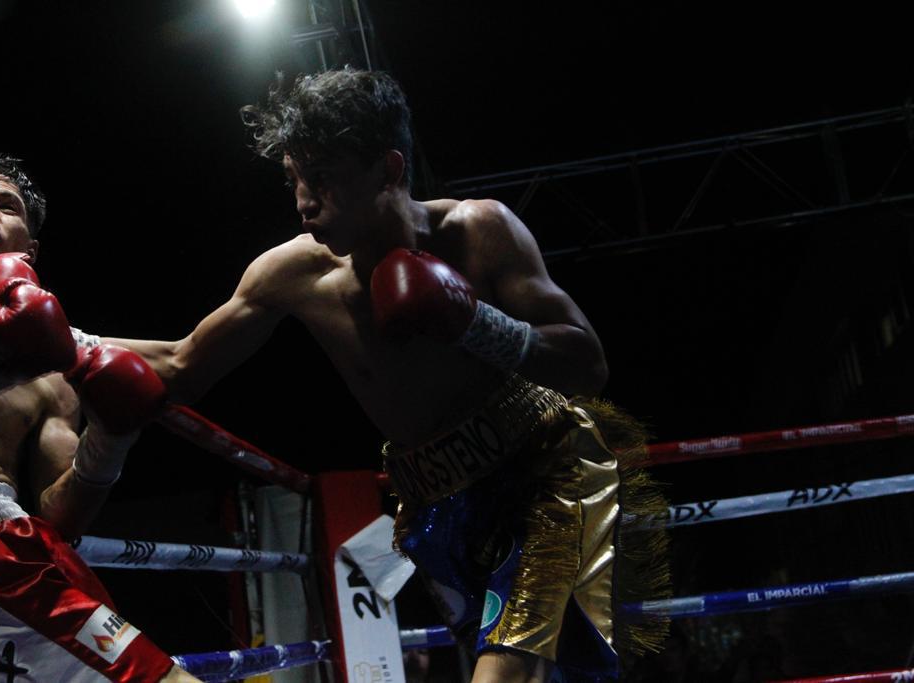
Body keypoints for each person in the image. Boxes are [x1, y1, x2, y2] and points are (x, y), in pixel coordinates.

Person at [116, 68, 669, 683]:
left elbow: (587, 362)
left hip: (545, 474)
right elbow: (182, 364)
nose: (303, 201)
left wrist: (473, 322)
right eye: (293, 180)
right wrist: (58, 341)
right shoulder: (290, 275)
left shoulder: (479, 231)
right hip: (435, 501)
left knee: (508, 672)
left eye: (322, 178)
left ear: (389, 169)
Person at [0, 153, 199, 682]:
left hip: (27, 547)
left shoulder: (55, 368)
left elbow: (61, 517)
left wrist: (110, 440)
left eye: (5, 206)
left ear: (29, 251)